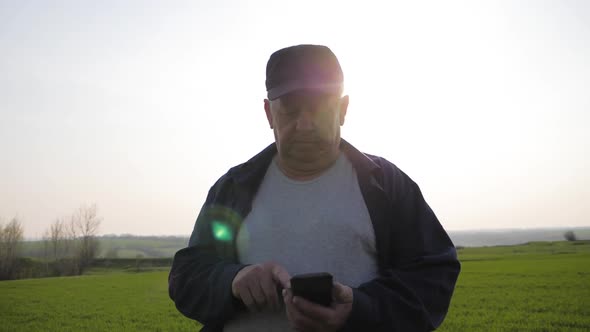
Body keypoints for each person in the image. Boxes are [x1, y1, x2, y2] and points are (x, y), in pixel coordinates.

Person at [169, 44, 461, 332]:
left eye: (320, 109)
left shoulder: (386, 185)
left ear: (343, 109)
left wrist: (359, 308)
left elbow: (433, 276)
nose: (305, 125)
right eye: (290, 112)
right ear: (269, 114)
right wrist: (232, 280)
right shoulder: (234, 187)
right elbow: (186, 277)